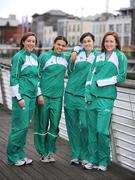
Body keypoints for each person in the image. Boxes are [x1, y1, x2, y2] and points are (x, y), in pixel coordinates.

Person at [84, 31, 128, 171]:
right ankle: (92, 159)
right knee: (91, 131)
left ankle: (103, 161)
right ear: (103, 43)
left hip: (106, 99)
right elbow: (90, 77)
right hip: (91, 98)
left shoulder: (120, 57)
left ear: (116, 43)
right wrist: (87, 96)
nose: (108, 44)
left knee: (102, 131)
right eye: (106, 41)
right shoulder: (99, 56)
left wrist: (102, 83)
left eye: (111, 41)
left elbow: (121, 76)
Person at [34, 36, 77, 162]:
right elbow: (36, 76)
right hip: (44, 96)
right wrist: (39, 94)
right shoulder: (44, 57)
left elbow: (79, 48)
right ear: (54, 44)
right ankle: (43, 152)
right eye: (59, 44)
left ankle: (50, 151)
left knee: (54, 125)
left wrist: (74, 51)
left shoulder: (66, 57)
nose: (61, 47)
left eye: (63, 46)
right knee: (42, 124)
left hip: (58, 97)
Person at [64, 32, 99, 165]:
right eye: (84, 41)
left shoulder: (97, 56)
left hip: (85, 96)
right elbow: (70, 70)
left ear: (93, 42)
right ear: (82, 43)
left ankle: (85, 154)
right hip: (70, 94)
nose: (87, 43)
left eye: (89, 41)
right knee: (72, 126)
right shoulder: (76, 54)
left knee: (85, 126)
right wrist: (74, 50)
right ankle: (75, 154)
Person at [7, 32, 39, 166]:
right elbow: (13, 77)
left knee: (25, 126)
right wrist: (18, 97)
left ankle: (20, 154)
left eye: (33, 41)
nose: (31, 43)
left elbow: (36, 78)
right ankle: (12, 156)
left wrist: (37, 94)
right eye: (29, 41)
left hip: (31, 96)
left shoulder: (34, 57)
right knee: (19, 126)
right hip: (22, 96)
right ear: (23, 42)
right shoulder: (19, 57)